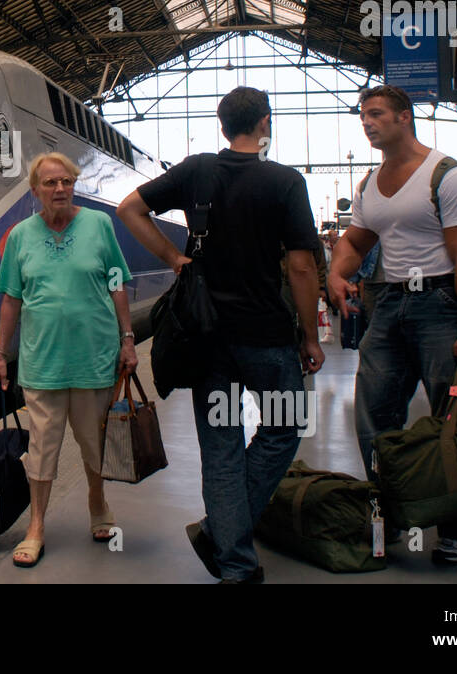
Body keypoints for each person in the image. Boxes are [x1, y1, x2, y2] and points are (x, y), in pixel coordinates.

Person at [117, 87, 324, 584]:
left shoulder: (197, 171)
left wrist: (173, 259)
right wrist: (311, 336)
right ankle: (224, 538)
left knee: (222, 446)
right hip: (268, 337)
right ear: (265, 123)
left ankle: (233, 558)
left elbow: (129, 209)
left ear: (222, 125)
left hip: (206, 340)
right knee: (284, 428)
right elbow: (300, 265)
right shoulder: (285, 182)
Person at [327, 85, 457, 565]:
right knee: (374, 416)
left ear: (403, 117)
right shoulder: (370, 184)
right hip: (388, 304)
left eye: (375, 115)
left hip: (440, 304)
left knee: (450, 421)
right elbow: (357, 241)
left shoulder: (447, 176)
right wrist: (337, 270)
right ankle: (389, 517)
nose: (367, 123)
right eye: (362, 117)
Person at [0, 152, 137, 568]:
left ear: (74, 185)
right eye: (50, 183)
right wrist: (1, 355)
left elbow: (117, 285)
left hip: (95, 357)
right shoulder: (20, 235)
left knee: (93, 441)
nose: (59, 189)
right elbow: (11, 298)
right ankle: (36, 526)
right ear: (35, 190)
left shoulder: (100, 225)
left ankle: (98, 501)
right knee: (41, 448)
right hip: (42, 362)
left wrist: (128, 340)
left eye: (66, 182)